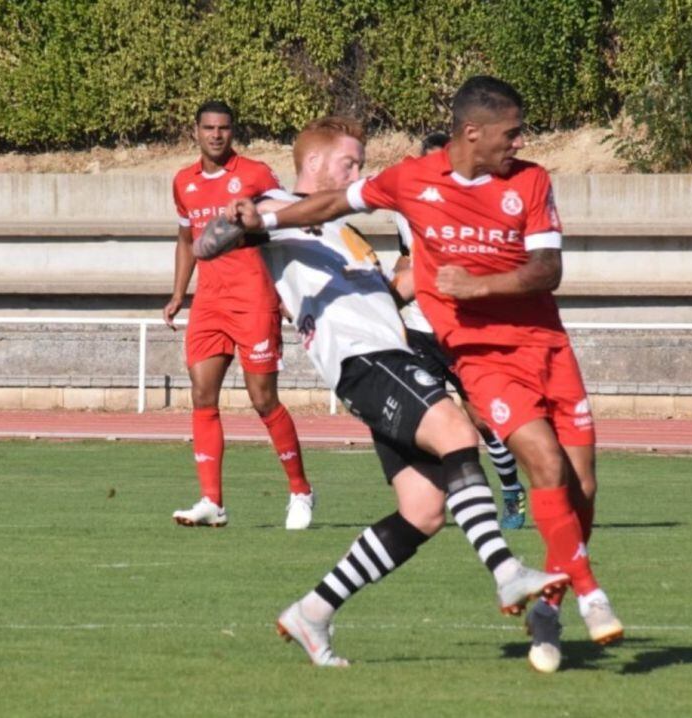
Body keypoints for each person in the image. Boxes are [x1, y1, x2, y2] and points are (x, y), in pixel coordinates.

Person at [226, 77, 623, 673]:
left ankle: (314, 611)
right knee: (458, 433)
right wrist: (245, 216)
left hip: (393, 354)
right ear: (312, 162)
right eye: (347, 162)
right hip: (369, 362)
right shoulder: (281, 207)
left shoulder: (344, 231)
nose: (357, 170)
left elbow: (376, 271)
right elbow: (239, 224)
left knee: (424, 509)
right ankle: (508, 572)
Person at [165, 100, 314, 530]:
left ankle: (301, 491)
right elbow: (185, 239)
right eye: (208, 128)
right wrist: (178, 293)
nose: (216, 135)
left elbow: (287, 224)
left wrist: (288, 289)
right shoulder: (183, 182)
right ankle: (212, 500)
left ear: (233, 132)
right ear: (195, 131)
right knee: (201, 394)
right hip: (209, 301)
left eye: (223, 128)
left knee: (262, 398)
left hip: (253, 297)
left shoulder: (255, 175)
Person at [391, 130, 527, 530]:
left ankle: (511, 490)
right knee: (430, 420)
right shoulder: (404, 202)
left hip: (461, 329)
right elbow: (405, 254)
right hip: (417, 330)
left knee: (484, 421)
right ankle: (441, 500)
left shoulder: (471, 205)